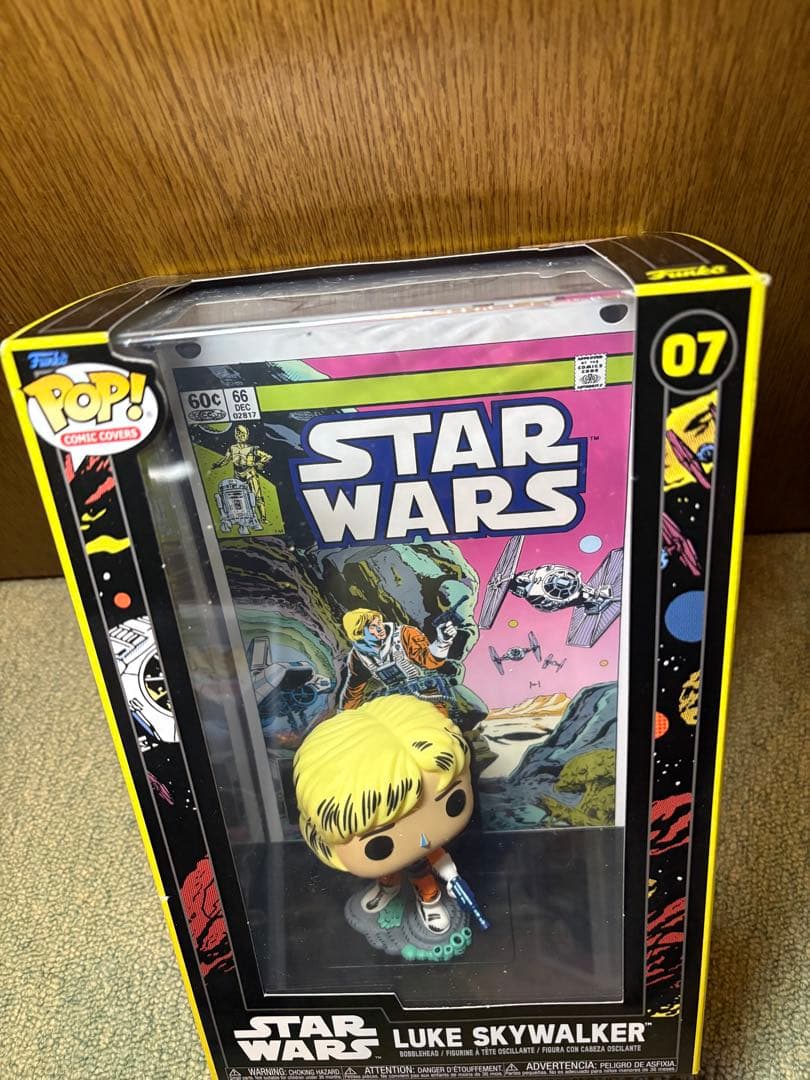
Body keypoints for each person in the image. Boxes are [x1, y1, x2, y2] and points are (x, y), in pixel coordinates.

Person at [293, 695, 473, 934]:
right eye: (378, 843)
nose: (423, 840)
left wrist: (452, 878)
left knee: (426, 885)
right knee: (387, 875)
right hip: (387, 869)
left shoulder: (427, 846)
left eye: (454, 802)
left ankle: (430, 904)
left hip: (422, 867)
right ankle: (388, 889)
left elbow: (441, 860)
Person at [338, 607, 457, 711]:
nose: (380, 628)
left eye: (379, 622)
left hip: (429, 697)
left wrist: (443, 641)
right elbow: (353, 691)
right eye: (373, 626)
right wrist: (344, 716)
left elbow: (429, 660)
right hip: (397, 703)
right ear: (359, 632)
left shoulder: (405, 634)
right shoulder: (358, 656)